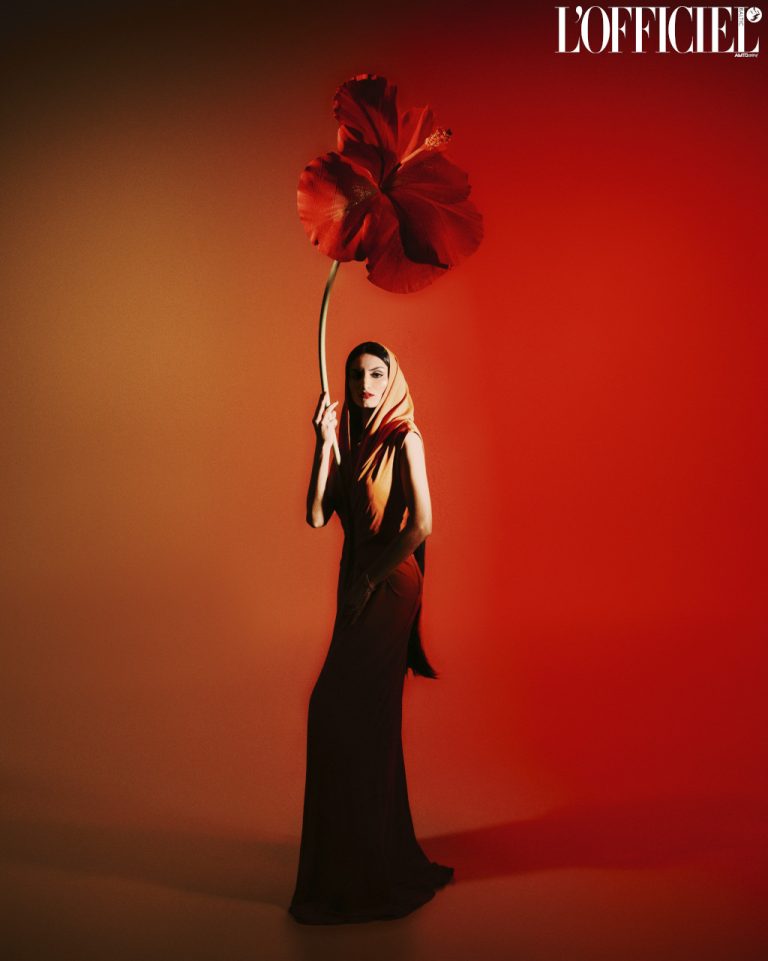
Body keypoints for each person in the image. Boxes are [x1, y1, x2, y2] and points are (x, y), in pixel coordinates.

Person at [288, 341, 454, 924]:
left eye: (377, 374)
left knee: (338, 710)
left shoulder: (405, 438)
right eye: (357, 373)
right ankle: (365, 855)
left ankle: (366, 866)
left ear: (392, 380)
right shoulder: (351, 441)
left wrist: (368, 580)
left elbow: (422, 523)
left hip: (389, 584)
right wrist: (323, 442)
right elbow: (316, 515)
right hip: (357, 584)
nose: (365, 383)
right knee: (358, 720)